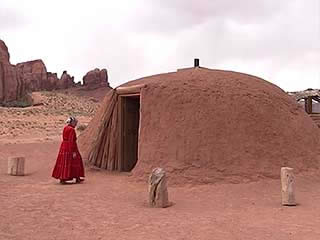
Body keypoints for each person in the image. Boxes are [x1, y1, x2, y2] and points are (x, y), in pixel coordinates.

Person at [52, 116, 85, 184]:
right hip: (70, 147)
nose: (76, 124)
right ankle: (76, 178)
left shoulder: (65, 128)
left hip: (64, 147)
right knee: (76, 160)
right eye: (75, 123)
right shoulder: (71, 130)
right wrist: (73, 151)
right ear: (72, 122)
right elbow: (71, 141)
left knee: (65, 161)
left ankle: (65, 178)